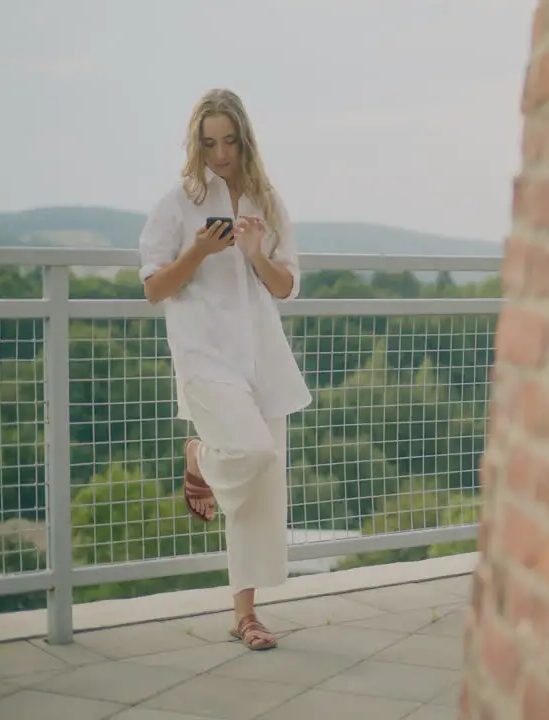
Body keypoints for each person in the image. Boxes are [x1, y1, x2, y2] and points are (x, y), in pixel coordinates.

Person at [137, 88, 311, 651]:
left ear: (244, 139)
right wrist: (198, 253)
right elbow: (152, 288)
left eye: (229, 141)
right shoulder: (177, 201)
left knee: (262, 487)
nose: (219, 154)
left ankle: (247, 615)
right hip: (204, 353)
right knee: (251, 455)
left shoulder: (267, 198)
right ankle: (200, 456)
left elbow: (285, 288)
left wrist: (257, 253)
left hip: (260, 353)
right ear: (197, 142)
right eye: (209, 142)